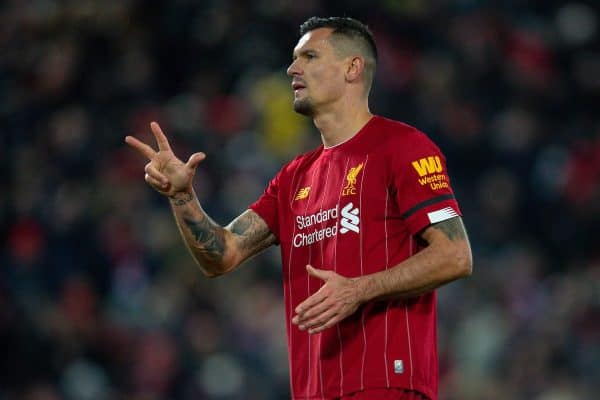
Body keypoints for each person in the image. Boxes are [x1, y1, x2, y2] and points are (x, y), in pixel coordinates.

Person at [125, 16, 472, 400]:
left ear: (352, 68)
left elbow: (455, 255)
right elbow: (222, 255)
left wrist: (358, 289)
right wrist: (182, 196)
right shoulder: (294, 178)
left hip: (383, 384)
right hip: (313, 390)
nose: (292, 68)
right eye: (293, 58)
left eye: (309, 56)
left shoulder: (402, 147)